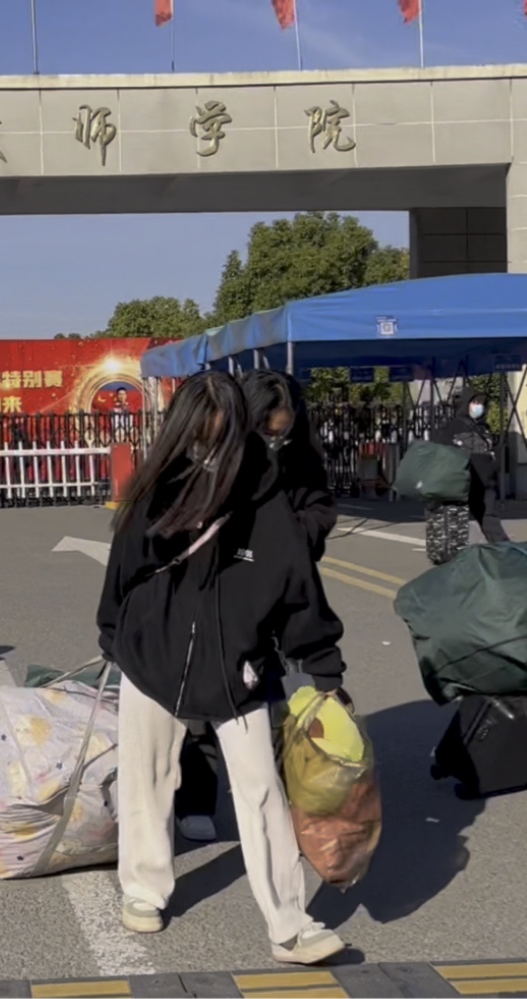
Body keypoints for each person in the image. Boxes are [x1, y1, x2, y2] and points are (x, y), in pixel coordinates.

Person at [96, 370, 348, 966]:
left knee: (262, 791)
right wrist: (115, 637)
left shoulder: (265, 497)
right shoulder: (158, 487)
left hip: (240, 669)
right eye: (199, 437)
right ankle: (143, 890)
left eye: (219, 436)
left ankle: (290, 925)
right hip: (152, 660)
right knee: (146, 778)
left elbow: (297, 589)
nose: (208, 449)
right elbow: (123, 573)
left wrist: (324, 665)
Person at [173, 369, 342, 843]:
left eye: (283, 430)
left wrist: (291, 536)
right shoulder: (213, 457)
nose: (276, 438)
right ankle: (196, 796)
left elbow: (320, 509)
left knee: (268, 699)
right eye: (267, 429)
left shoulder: (302, 457)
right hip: (213, 592)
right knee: (198, 702)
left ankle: (284, 797)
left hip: (275, 590)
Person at [424, 387, 509, 564]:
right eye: (475, 403)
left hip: (485, 483)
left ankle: (504, 550)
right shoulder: (451, 428)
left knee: (489, 516)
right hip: (462, 482)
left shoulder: (484, 428)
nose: (479, 407)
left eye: (482, 404)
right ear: (465, 405)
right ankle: (450, 556)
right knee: (455, 520)